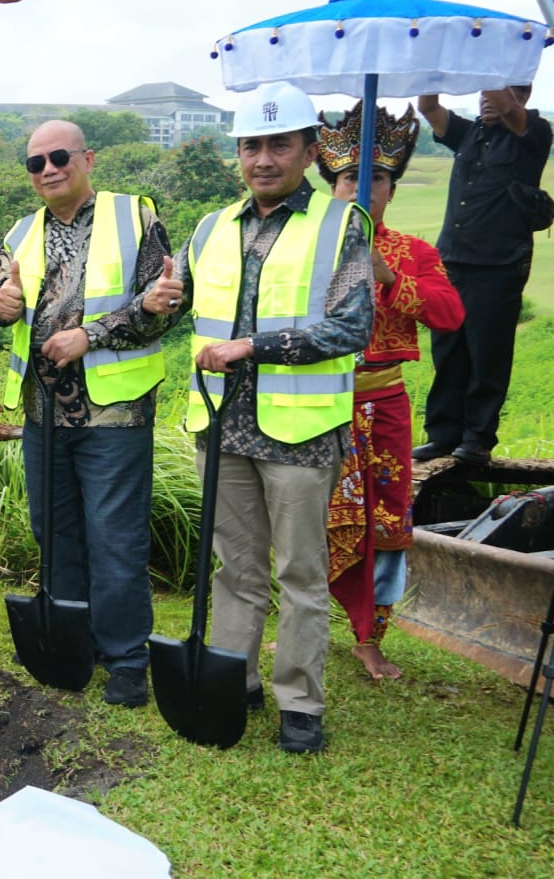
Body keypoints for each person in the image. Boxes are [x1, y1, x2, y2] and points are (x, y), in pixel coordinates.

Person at [144, 81, 373, 753]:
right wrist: (159, 297)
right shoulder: (214, 226)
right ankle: (233, 676)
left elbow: (351, 327)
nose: (264, 158)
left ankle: (300, 701)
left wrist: (256, 346)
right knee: (232, 568)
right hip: (221, 426)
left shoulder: (341, 225)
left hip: (301, 433)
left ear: (308, 149)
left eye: (279, 144)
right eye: (251, 145)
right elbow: (175, 297)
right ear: (237, 154)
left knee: (300, 573)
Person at [0, 120, 173, 706]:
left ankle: (124, 659)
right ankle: (72, 643)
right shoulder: (19, 233)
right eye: (35, 163)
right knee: (54, 535)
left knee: (114, 537)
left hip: (114, 415)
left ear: (87, 157)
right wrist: (1, 304)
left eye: (59, 157)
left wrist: (90, 335)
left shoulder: (134, 217)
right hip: (44, 415)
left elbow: (163, 306)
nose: (48, 170)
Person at [317, 103, 464, 680]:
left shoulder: (413, 253)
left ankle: (367, 637)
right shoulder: (302, 245)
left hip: (382, 407)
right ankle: (298, 623)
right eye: (349, 177)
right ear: (332, 186)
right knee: (300, 516)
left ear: (392, 189)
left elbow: (450, 314)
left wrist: (388, 276)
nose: (361, 188)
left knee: (386, 519)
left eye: (374, 178)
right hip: (311, 403)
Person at [414, 86, 553, 464]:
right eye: (482, 92)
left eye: (498, 91)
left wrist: (487, 58)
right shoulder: (469, 132)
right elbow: (428, 106)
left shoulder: (534, 134)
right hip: (453, 258)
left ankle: (476, 439)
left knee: (486, 352)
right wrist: (435, 52)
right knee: (448, 350)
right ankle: (443, 435)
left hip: (499, 261)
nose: (486, 98)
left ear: (520, 95)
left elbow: (508, 106)